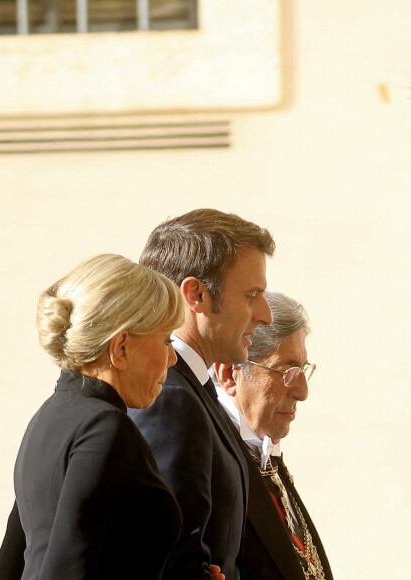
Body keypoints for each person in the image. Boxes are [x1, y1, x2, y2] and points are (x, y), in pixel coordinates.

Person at [0, 253, 187, 580]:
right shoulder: (105, 428)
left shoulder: (46, 418)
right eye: (165, 339)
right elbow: (69, 569)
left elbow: (8, 566)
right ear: (121, 347)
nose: (172, 358)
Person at [128, 208, 276, 580]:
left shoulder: (192, 390)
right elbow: (171, 558)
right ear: (196, 294)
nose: (266, 314)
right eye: (252, 294)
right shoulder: (168, 397)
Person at [212, 291, 333, 579]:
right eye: (287, 371)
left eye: (303, 370)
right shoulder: (210, 455)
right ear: (230, 375)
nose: (302, 392)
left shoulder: (264, 453)